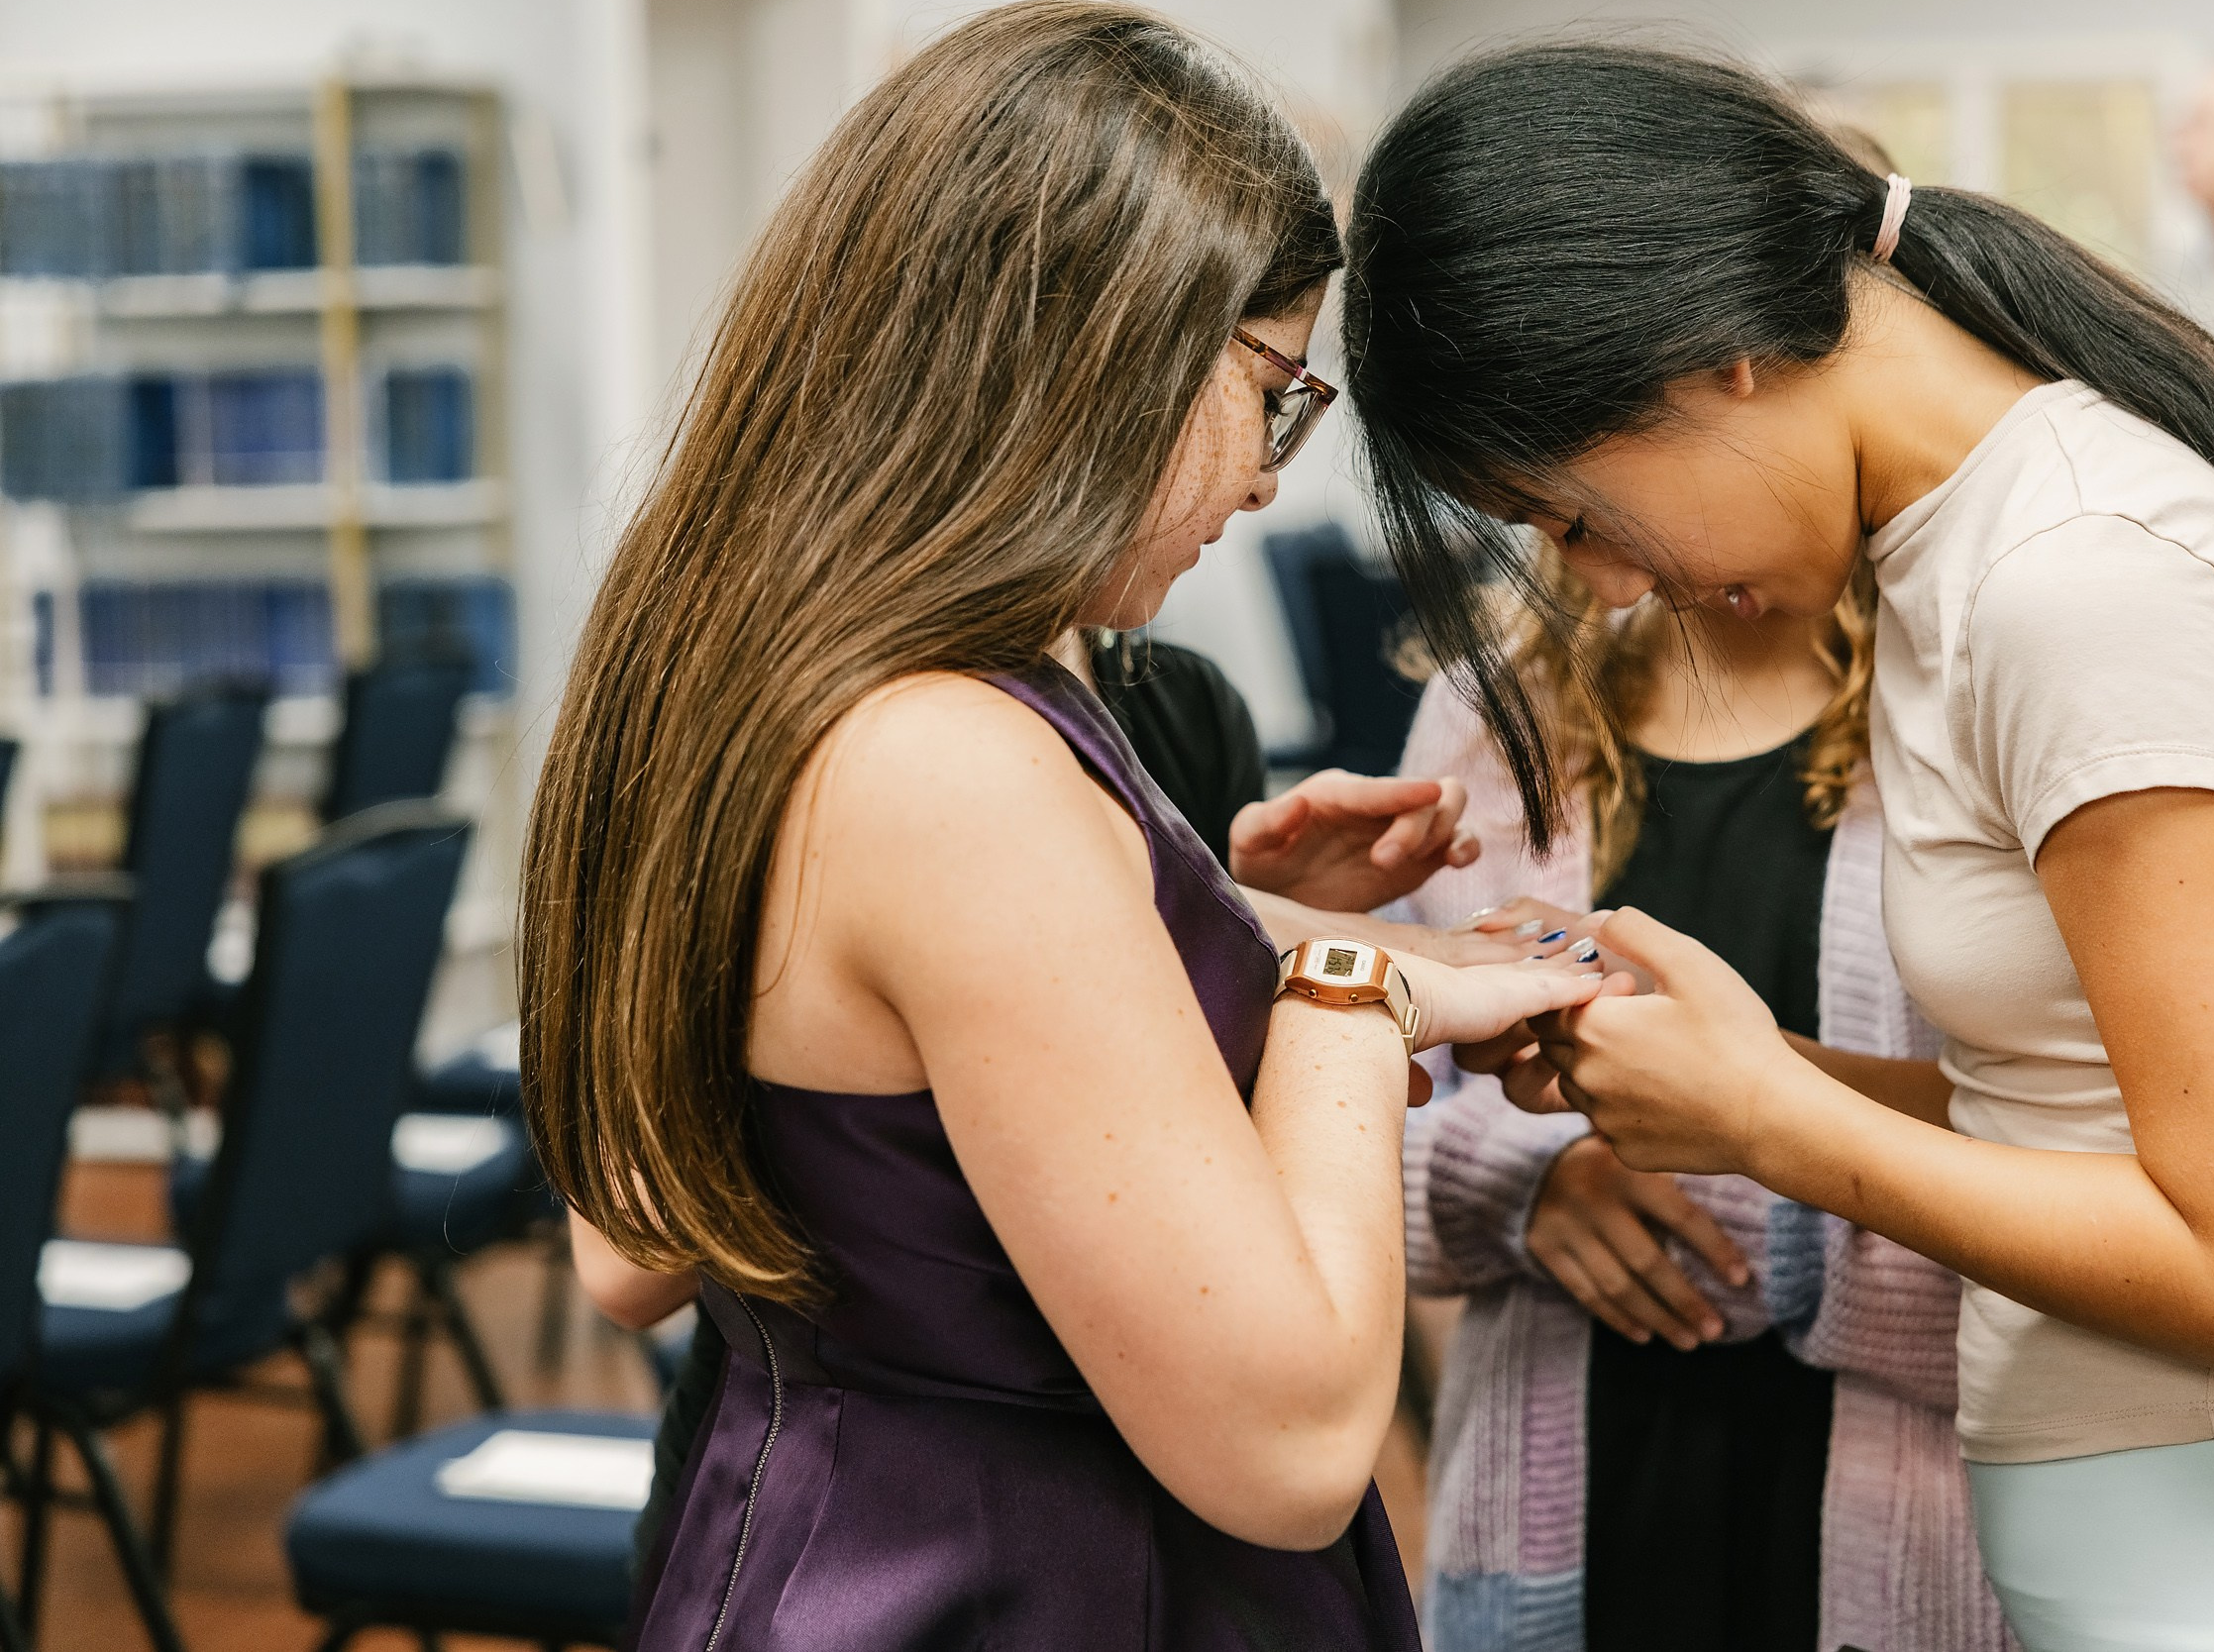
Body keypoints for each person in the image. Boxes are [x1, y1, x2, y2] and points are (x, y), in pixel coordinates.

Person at [1341, 38, 2214, 1649]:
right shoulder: (1961, 549)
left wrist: (1768, 1119)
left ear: (1709, 359)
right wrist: (1742, 1063)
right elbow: (2070, 1119)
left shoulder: (2074, 576)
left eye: (1572, 514)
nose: (1607, 584)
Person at [520, 2, 1601, 1651]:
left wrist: (1260, 934)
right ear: (1104, 349)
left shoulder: (771, 671)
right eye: (1271, 391)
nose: (1266, 478)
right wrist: (1352, 999)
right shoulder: (950, 760)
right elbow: (1294, 1443)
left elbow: (711, 1182)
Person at [579, 627, 1518, 1583]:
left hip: (1171, 1501)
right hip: (874, 1530)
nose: (1247, 502)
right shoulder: (869, 736)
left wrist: (1232, 933)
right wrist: (1337, 994)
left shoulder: (1181, 707)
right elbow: (626, 1258)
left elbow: (1200, 1176)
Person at [1395, 544, 2016, 1652]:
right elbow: (1376, 1121)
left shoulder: (1977, 697)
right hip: (1575, 1517)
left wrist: (1767, 1217)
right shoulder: (1493, 713)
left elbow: (2071, 1163)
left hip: (1907, 1519)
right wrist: (1521, 1181)